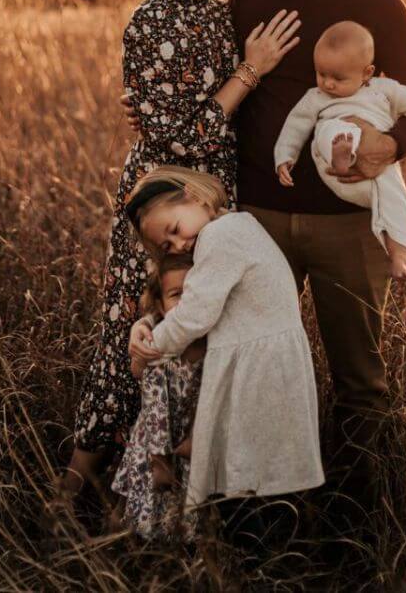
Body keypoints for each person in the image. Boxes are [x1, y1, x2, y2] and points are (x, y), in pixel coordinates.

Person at [64, 0, 301, 496]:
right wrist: (250, 71)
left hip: (211, 201)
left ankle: (175, 495)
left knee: (196, 339)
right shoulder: (154, 20)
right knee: (130, 335)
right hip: (164, 203)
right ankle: (75, 490)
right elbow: (182, 138)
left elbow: (196, 119)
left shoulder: (210, 12)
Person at [228, 0, 406, 500]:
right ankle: (264, 509)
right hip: (259, 221)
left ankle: (358, 519)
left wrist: (390, 141)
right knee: (255, 366)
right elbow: (219, 92)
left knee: (359, 380)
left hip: (350, 226)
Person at [127, 166, 325, 548]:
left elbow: (194, 313)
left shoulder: (220, 237)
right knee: (263, 460)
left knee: (250, 466)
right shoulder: (237, 226)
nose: (179, 245)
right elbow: (193, 298)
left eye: (173, 230)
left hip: (260, 366)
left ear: (195, 196)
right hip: (264, 358)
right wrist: (150, 322)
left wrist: (150, 349)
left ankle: (257, 553)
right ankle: (269, 544)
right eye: (167, 247)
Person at [275, 20, 406, 282]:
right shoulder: (316, 97)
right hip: (333, 170)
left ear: (367, 73)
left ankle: (398, 255)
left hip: (374, 172)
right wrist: (285, 158)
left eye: (338, 78)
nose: (328, 84)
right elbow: (295, 125)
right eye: (322, 74)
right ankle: (343, 152)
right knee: (330, 131)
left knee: (396, 194)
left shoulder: (384, 91)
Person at [110, 251, 204, 542]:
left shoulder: (213, 342)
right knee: (141, 504)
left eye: (194, 292)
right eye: (176, 295)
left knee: (183, 510)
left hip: (192, 440)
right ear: (161, 308)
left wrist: (198, 435)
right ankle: (120, 550)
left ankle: (178, 554)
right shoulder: (160, 346)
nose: (186, 302)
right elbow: (154, 405)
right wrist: (159, 457)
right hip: (155, 442)